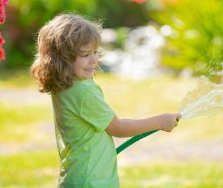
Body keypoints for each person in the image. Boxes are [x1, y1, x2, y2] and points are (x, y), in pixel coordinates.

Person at [31, 13, 181, 188]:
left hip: (77, 176)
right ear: (62, 59)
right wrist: (160, 122)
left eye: (95, 52)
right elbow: (119, 128)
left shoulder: (65, 87)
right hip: (93, 181)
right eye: (86, 54)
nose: (94, 59)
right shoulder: (83, 91)